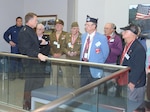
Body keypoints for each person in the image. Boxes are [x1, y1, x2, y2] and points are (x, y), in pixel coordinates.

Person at [18, 12, 48, 110]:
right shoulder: (24, 31)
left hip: (34, 62)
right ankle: (27, 105)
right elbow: (25, 49)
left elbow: (31, 43)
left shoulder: (30, 30)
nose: (36, 22)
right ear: (30, 21)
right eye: (35, 20)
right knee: (29, 84)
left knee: (38, 82)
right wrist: (38, 54)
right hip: (29, 63)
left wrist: (40, 42)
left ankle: (34, 102)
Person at [119, 24, 146, 111]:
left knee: (134, 106)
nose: (122, 33)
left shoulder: (138, 48)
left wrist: (132, 82)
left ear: (132, 34)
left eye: (125, 31)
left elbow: (139, 67)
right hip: (126, 80)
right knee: (128, 104)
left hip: (134, 83)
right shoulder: (127, 45)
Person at [80, 15, 109, 87]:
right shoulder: (83, 36)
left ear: (94, 26)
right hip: (84, 66)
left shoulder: (101, 38)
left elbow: (105, 53)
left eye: (88, 25)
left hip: (94, 67)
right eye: (86, 25)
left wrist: (99, 62)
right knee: (83, 88)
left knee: (94, 90)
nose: (86, 27)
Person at [102, 23, 123, 95]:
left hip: (111, 64)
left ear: (112, 30)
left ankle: (111, 102)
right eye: (104, 28)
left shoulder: (117, 38)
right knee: (101, 84)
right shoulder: (102, 37)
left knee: (110, 86)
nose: (105, 30)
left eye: (107, 28)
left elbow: (119, 51)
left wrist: (109, 49)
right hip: (101, 63)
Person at [50, 19, 68, 87]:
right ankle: (54, 86)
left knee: (65, 73)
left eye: (59, 25)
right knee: (54, 73)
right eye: (56, 25)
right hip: (54, 56)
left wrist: (61, 53)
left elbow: (66, 46)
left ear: (62, 26)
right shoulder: (51, 35)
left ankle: (66, 87)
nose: (57, 26)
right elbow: (50, 46)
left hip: (63, 56)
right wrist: (53, 53)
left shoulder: (66, 34)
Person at [64, 22, 81, 88]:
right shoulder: (67, 36)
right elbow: (63, 47)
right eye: (74, 28)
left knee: (76, 75)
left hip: (76, 59)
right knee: (68, 74)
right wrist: (67, 52)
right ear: (71, 29)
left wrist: (77, 52)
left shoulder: (82, 36)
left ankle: (77, 89)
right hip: (68, 58)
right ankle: (69, 88)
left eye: (77, 29)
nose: (75, 30)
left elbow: (83, 49)